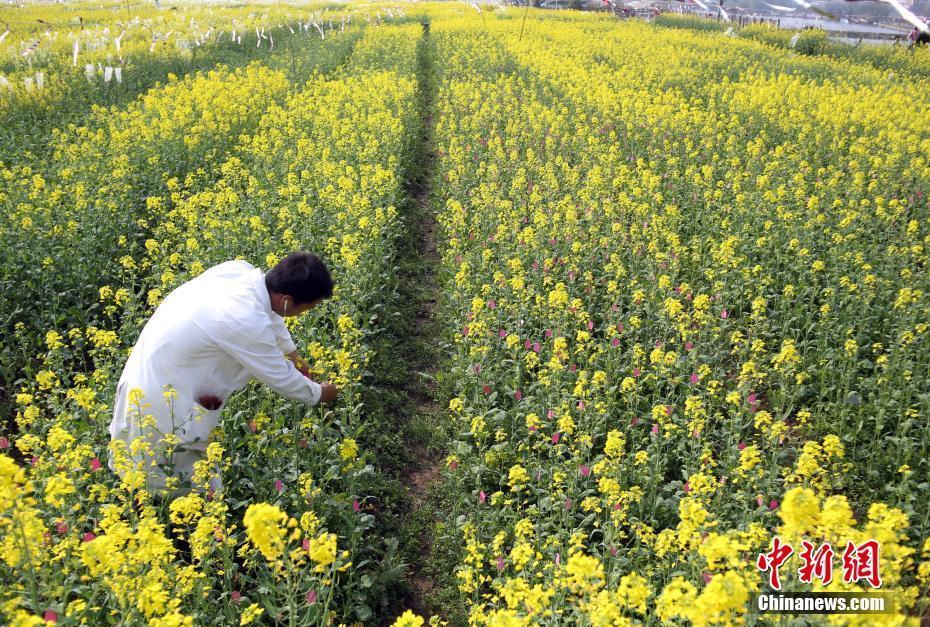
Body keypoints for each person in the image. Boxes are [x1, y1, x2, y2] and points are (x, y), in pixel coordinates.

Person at [108, 252, 339, 499]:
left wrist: (298, 360)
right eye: (308, 307)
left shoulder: (239, 271)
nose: (305, 313)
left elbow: (272, 318)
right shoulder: (244, 318)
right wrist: (323, 393)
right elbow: (282, 379)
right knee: (175, 483)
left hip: (157, 369)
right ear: (287, 300)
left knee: (165, 473)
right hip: (160, 398)